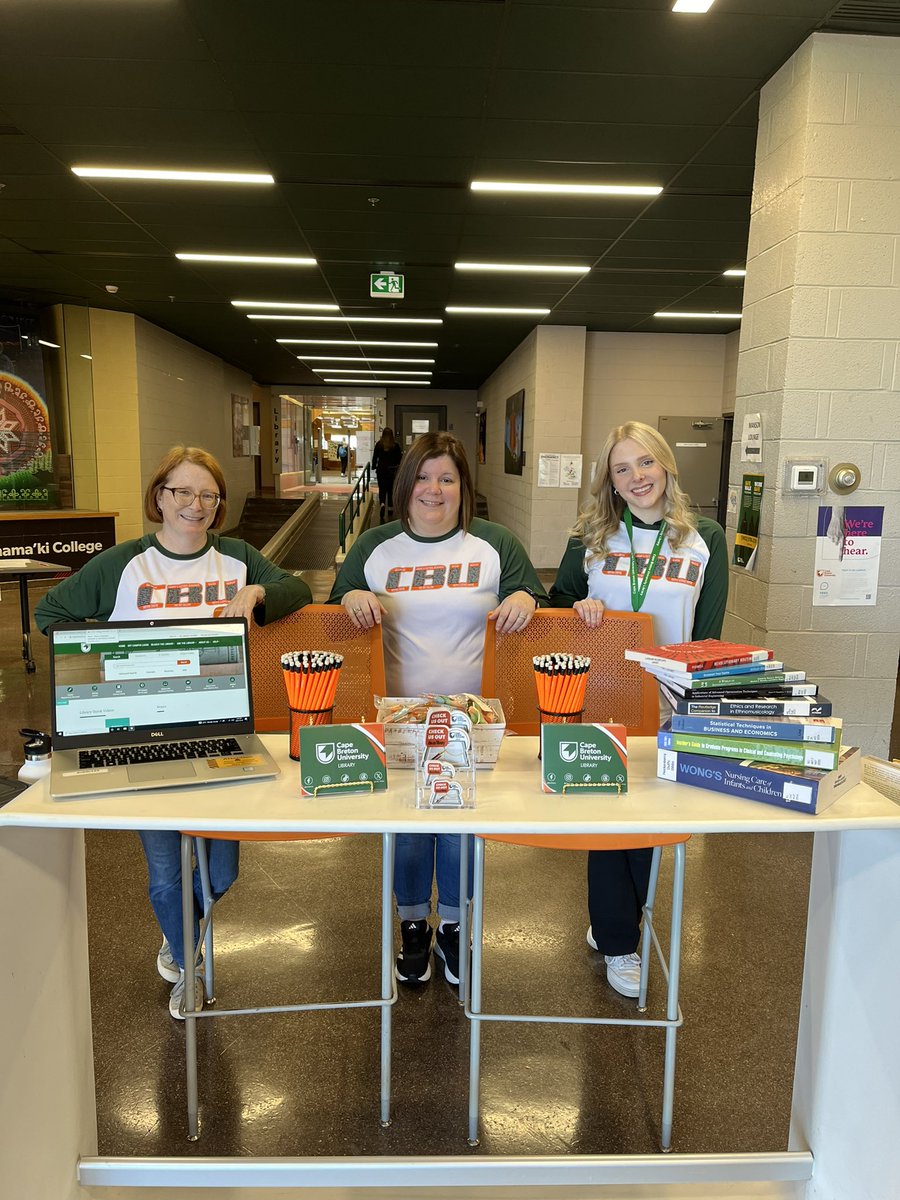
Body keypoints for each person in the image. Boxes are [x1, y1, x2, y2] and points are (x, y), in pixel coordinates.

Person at [35, 446, 312, 1018]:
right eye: (182, 492)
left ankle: (178, 927)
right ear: (159, 496)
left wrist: (258, 592)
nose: (195, 504)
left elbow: (297, 588)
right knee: (165, 869)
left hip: (221, 731)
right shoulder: (124, 564)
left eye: (208, 495)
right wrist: (109, 657)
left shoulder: (236, 558)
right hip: (140, 736)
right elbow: (52, 614)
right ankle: (189, 962)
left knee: (223, 867)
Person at [329, 431, 548, 986]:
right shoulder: (376, 546)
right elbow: (339, 604)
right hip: (397, 718)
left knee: (457, 826)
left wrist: (524, 597)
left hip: (466, 719)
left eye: (447, 478)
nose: (434, 489)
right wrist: (350, 595)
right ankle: (411, 925)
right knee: (405, 827)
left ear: (463, 488)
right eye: (424, 478)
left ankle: (452, 925)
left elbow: (533, 595)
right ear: (405, 486)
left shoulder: (493, 542)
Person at [549, 421, 727, 999]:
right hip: (603, 700)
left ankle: (613, 925)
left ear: (666, 466)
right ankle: (621, 942)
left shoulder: (706, 538)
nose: (636, 477)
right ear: (611, 480)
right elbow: (557, 609)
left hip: (670, 705)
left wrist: (702, 708)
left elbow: (709, 631)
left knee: (646, 827)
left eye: (645, 463)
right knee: (606, 825)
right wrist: (579, 605)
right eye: (622, 468)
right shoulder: (591, 536)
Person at [371, 426, 402, 523]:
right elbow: (399, 458)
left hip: (381, 470)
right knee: (390, 489)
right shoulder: (395, 445)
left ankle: (382, 504)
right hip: (391, 470)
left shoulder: (379, 445)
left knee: (382, 489)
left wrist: (373, 466)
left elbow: (375, 457)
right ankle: (390, 508)